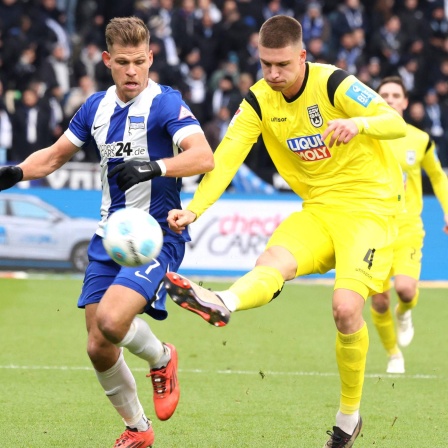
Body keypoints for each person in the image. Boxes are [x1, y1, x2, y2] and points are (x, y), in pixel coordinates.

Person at [163, 15, 407, 448]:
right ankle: (223, 302)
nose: (273, 74)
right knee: (270, 262)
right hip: (318, 211)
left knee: (346, 309)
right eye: (265, 65)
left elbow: (394, 122)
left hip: (370, 211)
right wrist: (195, 208)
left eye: (282, 65)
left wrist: (359, 124)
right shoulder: (258, 101)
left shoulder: (334, 84)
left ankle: (348, 417)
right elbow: (226, 158)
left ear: (302, 57)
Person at [0, 16, 214, 448]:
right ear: (106, 61)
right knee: (98, 345)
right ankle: (138, 429)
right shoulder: (95, 107)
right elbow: (56, 156)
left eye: (139, 61)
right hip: (108, 236)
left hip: (156, 234)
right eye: (123, 62)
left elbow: (203, 156)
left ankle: (162, 356)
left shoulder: (167, 103)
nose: (132, 70)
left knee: (115, 322)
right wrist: (17, 171)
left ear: (151, 58)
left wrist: (156, 166)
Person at [371, 76, 448, 374]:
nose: (389, 99)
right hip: (373, 229)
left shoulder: (419, 139)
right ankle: (394, 355)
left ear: (405, 102)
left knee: (404, 289)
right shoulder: (364, 135)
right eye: (384, 94)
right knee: (378, 301)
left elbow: (438, 177)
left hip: (407, 228)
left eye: (395, 95)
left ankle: (404, 313)